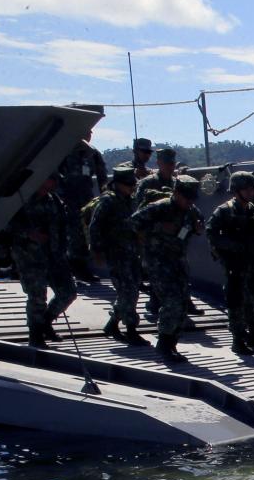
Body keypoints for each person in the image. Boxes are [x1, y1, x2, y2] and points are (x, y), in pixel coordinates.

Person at [131, 175, 205, 364]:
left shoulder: (191, 210)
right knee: (171, 300)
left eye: (191, 198)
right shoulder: (159, 208)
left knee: (182, 304)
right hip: (158, 261)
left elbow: (200, 223)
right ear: (176, 193)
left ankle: (172, 342)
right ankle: (163, 343)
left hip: (178, 261)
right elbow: (133, 224)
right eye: (186, 197)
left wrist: (197, 228)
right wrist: (158, 228)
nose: (189, 201)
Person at [206, 171, 254, 357]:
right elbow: (211, 233)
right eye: (248, 189)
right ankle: (238, 340)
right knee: (237, 303)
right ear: (237, 190)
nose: (252, 192)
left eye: (253, 188)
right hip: (236, 266)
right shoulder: (224, 211)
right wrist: (232, 246)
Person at [9, 174, 76, 348]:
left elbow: (62, 225)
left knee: (68, 292)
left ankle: (46, 322)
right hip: (29, 255)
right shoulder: (21, 199)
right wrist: (29, 234)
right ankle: (35, 334)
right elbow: (6, 224)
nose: (54, 183)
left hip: (54, 254)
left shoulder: (54, 200)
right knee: (37, 296)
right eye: (51, 178)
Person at [88, 165, 148, 346]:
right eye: (128, 184)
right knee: (128, 291)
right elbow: (95, 226)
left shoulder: (128, 200)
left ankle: (113, 324)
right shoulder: (108, 201)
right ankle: (131, 330)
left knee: (131, 289)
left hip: (130, 252)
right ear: (118, 184)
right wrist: (96, 251)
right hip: (116, 253)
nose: (132, 187)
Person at [57, 129, 106, 281]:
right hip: (69, 198)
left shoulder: (93, 153)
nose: (88, 135)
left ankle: (82, 267)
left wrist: (105, 196)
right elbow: (54, 173)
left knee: (87, 231)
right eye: (85, 132)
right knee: (73, 233)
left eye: (90, 132)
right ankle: (75, 266)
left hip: (87, 198)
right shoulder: (65, 151)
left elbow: (102, 176)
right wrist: (60, 194)